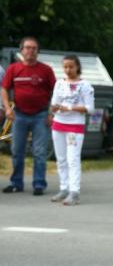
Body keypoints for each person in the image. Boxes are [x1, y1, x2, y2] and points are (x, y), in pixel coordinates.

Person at [2, 37, 57, 195]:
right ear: (21, 50)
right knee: (17, 151)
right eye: (27, 47)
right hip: (19, 115)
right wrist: (7, 108)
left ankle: (39, 184)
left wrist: (51, 113)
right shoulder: (13, 69)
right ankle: (16, 183)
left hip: (41, 115)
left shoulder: (46, 70)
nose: (30, 51)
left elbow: (56, 91)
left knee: (39, 152)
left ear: (38, 51)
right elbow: (4, 89)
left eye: (34, 48)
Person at [48, 55, 95, 206]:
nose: (68, 70)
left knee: (72, 159)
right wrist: (54, 108)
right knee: (61, 159)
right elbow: (54, 103)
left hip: (74, 127)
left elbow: (90, 108)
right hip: (58, 124)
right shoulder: (59, 83)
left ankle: (74, 192)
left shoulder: (85, 85)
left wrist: (69, 107)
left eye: (71, 67)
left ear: (77, 67)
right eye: (65, 67)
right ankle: (64, 188)